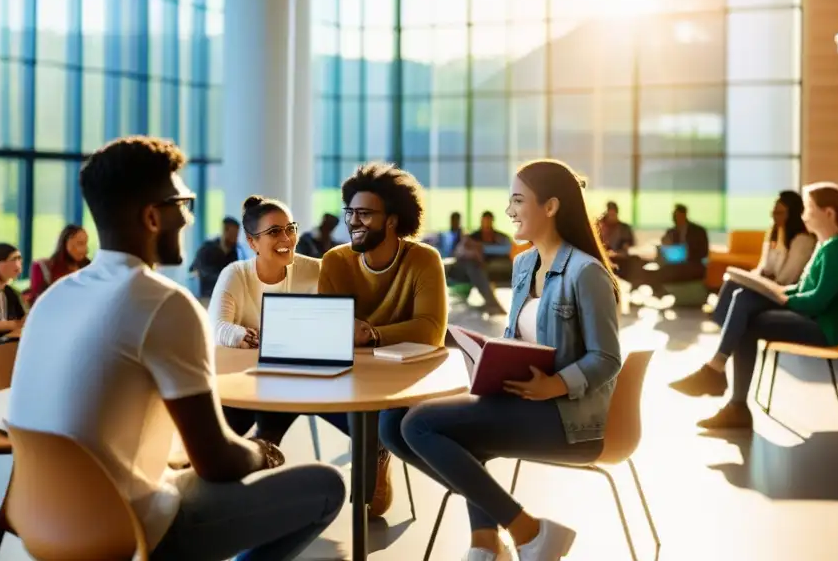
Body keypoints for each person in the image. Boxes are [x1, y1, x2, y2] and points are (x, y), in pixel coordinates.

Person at [6, 135, 345, 561]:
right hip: (138, 527)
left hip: (45, 523)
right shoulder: (164, 302)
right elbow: (217, 461)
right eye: (182, 202)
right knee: (327, 486)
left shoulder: (55, 297)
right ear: (152, 217)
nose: (187, 218)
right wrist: (262, 451)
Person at [380, 159, 622, 561]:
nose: (509, 211)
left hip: (567, 417)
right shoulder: (524, 264)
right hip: (520, 400)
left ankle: (524, 533)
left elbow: (607, 358)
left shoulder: (586, 272)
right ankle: (491, 541)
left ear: (551, 206)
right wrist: (487, 357)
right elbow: (518, 339)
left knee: (422, 424)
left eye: (517, 200)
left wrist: (554, 385)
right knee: (392, 422)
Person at [262, 162, 450, 518]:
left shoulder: (424, 260)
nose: (353, 221)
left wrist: (371, 333)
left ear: (392, 219)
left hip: (398, 383)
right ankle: (261, 451)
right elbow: (330, 329)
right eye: (350, 212)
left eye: (365, 214)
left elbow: (430, 330)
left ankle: (378, 446)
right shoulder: (335, 261)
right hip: (347, 376)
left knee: (372, 508)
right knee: (274, 386)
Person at [669, 182, 838, 430]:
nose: (803, 215)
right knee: (743, 297)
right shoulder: (826, 245)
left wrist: (783, 298)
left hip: (827, 328)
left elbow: (817, 302)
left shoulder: (837, 249)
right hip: (816, 319)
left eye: (808, 209)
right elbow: (803, 289)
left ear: (828, 213)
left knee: (748, 316)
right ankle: (724, 385)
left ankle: (727, 390)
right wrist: (780, 293)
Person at [208, 197, 321, 350]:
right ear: (252, 242)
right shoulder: (235, 274)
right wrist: (244, 336)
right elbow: (216, 328)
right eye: (274, 232)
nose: (287, 239)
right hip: (244, 369)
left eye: (290, 229)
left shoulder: (315, 270)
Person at [708, 190, 817, 326]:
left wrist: (764, 279)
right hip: (768, 284)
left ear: (793, 214)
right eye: (773, 212)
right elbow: (764, 267)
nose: (774, 217)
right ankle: (723, 323)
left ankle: (726, 327)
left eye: (779, 213)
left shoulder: (802, 240)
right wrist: (752, 278)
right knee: (732, 282)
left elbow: (786, 278)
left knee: (741, 297)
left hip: (782, 292)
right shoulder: (774, 234)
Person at [440, 212, 502, 315]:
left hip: (464, 265)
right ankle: (492, 305)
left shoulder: (467, 236)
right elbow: (458, 252)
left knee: (472, 264)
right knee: (470, 264)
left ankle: (492, 304)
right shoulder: (445, 235)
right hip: (450, 265)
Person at [27, 224, 90, 304]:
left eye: (86, 243)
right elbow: (38, 302)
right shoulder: (42, 267)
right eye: (80, 243)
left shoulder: (89, 268)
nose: (86, 250)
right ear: (65, 243)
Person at [189, 217, 241, 299]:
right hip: (206, 297)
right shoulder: (207, 248)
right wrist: (225, 278)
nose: (236, 238)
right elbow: (198, 269)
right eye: (233, 234)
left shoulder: (234, 252)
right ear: (225, 230)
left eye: (237, 234)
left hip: (225, 298)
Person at [659, 203, 709, 283]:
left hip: (693, 263)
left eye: (677, 215)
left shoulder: (698, 231)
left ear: (684, 215)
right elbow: (665, 250)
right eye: (673, 216)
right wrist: (665, 245)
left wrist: (687, 253)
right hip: (674, 264)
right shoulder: (671, 232)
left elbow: (704, 252)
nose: (674, 218)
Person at [598, 200, 636, 281]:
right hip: (601, 261)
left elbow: (626, 250)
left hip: (619, 262)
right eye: (609, 214)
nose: (611, 217)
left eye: (613, 214)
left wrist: (614, 254)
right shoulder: (599, 227)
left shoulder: (624, 229)